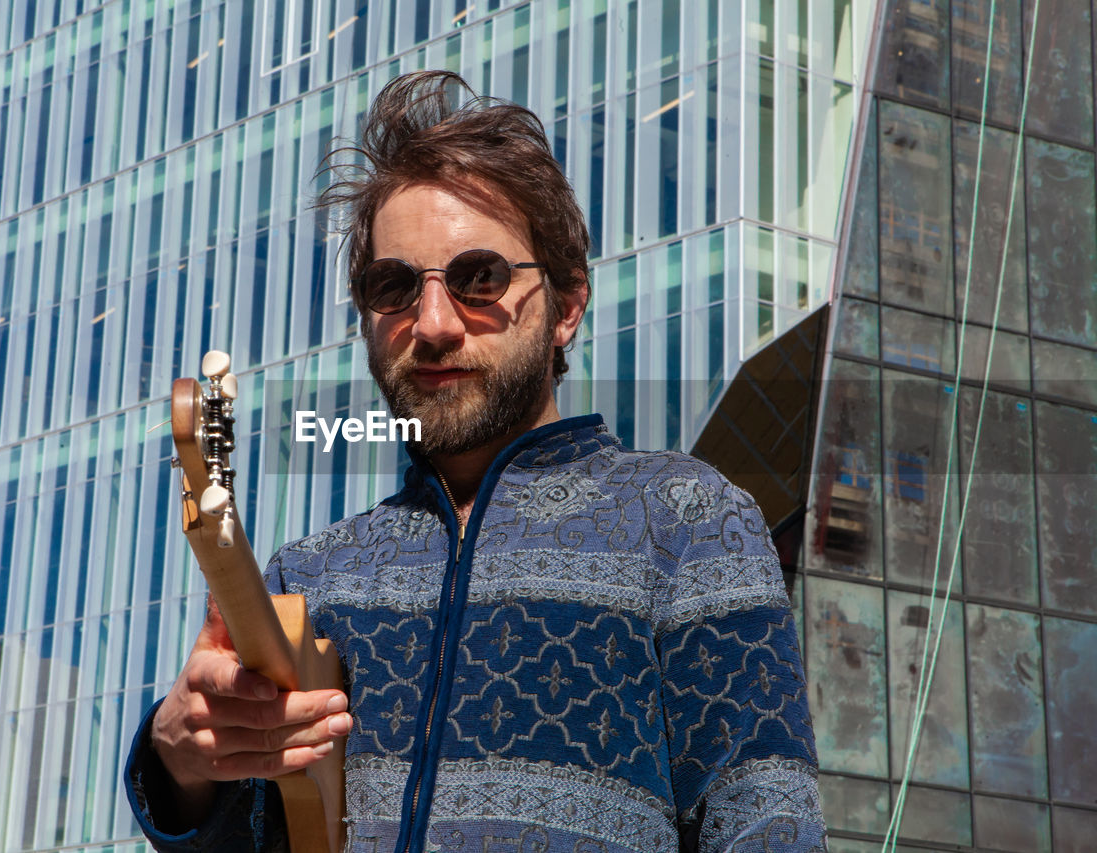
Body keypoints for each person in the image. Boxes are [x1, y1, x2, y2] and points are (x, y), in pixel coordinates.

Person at [125, 70, 826, 852]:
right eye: (393, 285)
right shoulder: (307, 578)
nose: (431, 322)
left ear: (565, 307)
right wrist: (178, 761)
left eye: (478, 278)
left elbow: (768, 826)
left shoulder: (690, 520)